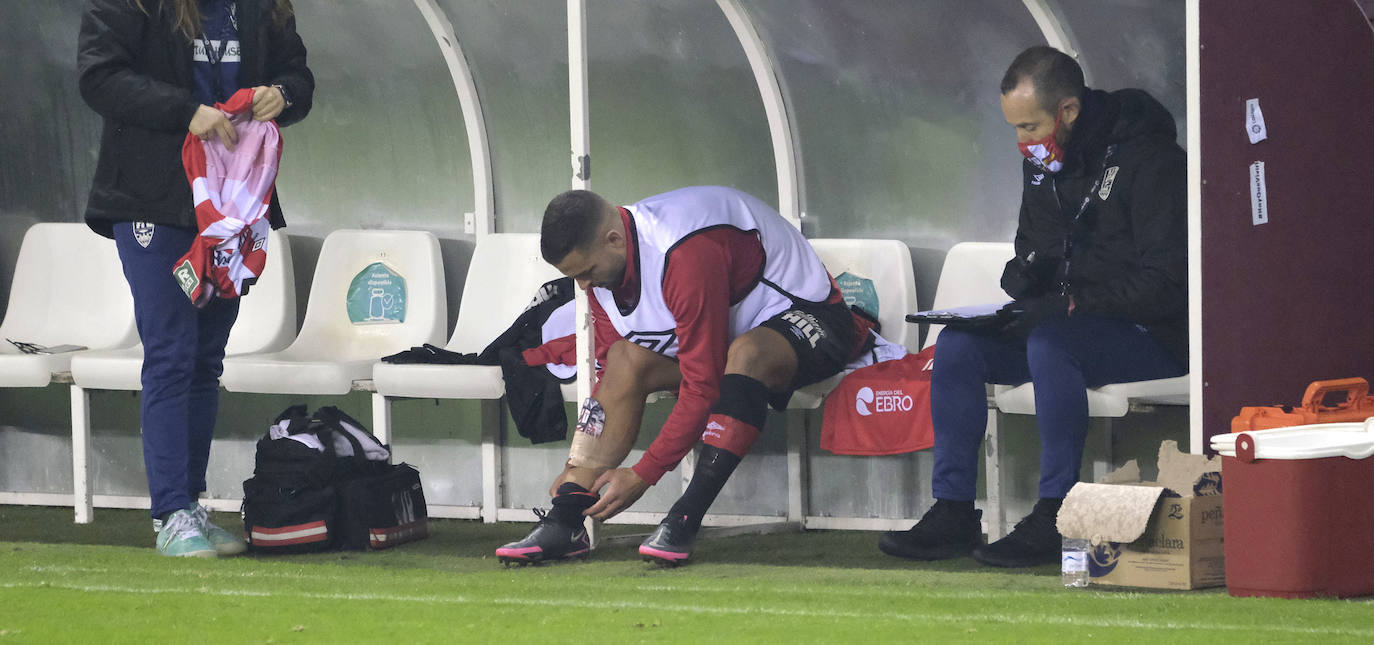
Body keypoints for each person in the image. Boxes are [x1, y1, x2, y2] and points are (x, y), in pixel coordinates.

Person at [77, 0, 314, 558]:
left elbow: (298, 71)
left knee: (207, 357)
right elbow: (99, 77)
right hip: (152, 199)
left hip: (234, 208)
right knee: (173, 352)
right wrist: (186, 112)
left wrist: (284, 95)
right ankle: (170, 513)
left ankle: (192, 505)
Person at [879, 46, 1187, 568]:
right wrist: (1025, 276)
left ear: (1067, 110)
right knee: (958, 344)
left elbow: (1167, 283)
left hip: (1151, 335)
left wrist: (1069, 305)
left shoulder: (1151, 161)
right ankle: (953, 511)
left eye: (1030, 126)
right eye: (1015, 129)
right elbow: (1036, 247)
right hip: (1072, 328)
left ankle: (1056, 514)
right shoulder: (1046, 164)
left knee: (1049, 342)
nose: (1023, 142)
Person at [496, 185, 874, 566]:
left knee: (747, 355)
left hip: (818, 320)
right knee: (625, 359)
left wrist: (644, 474)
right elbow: (609, 371)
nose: (583, 285)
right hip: (730, 338)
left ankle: (684, 519)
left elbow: (704, 384)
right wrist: (574, 468)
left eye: (587, 272)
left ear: (612, 240)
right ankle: (566, 521)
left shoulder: (684, 253)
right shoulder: (603, 269)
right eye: (575, 276)